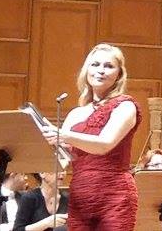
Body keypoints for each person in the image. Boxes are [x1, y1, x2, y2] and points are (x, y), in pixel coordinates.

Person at [42, 43, 140, 230]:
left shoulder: (125, 106)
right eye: (95, 64)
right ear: (86, 70)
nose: (100, 70)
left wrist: (63, 135)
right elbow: (62, 158)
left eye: (108, 66)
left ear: (119, 74)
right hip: (80, 197)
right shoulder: (76, 113)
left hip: (115, 195)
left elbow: (104, 144)